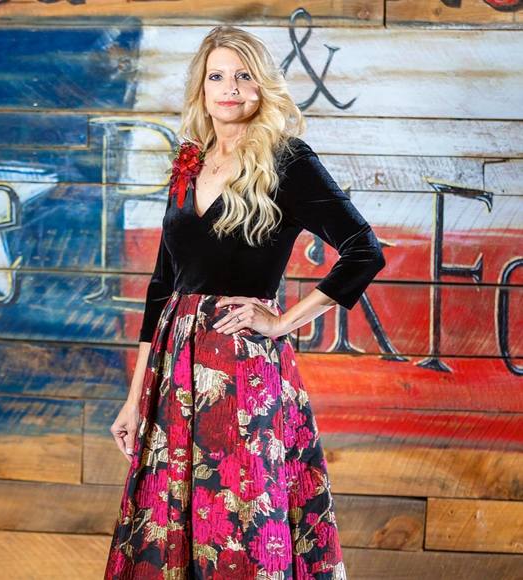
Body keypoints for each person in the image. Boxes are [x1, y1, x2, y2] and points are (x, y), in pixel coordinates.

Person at [104, 25, 385, 580]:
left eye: (243, 76)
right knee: (170, 522)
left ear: (262, 86)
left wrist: (281, 322)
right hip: (173, 373)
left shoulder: (287, 160)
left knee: (241, 519)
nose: (229, 88)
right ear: (201, 88)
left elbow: (363, 250)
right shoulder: (189, 160)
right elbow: (163, 283)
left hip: (242, 372)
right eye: (217, 76)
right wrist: (135, 398)